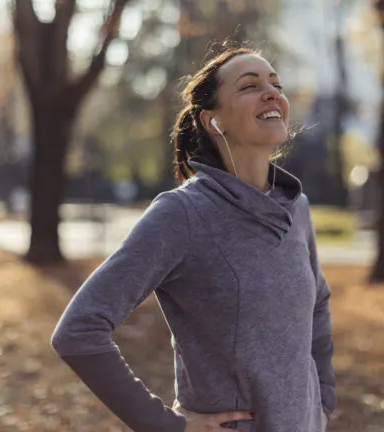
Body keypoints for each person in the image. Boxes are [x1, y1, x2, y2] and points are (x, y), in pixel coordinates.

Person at [50, 46, 336, 432]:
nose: (272, 93)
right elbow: (78, 332)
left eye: (276, 84)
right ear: (213, 121)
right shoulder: (182, 214)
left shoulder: (295, 206)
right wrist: (166, 425)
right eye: (249, 86)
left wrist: (323, 401)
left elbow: (317, 303)